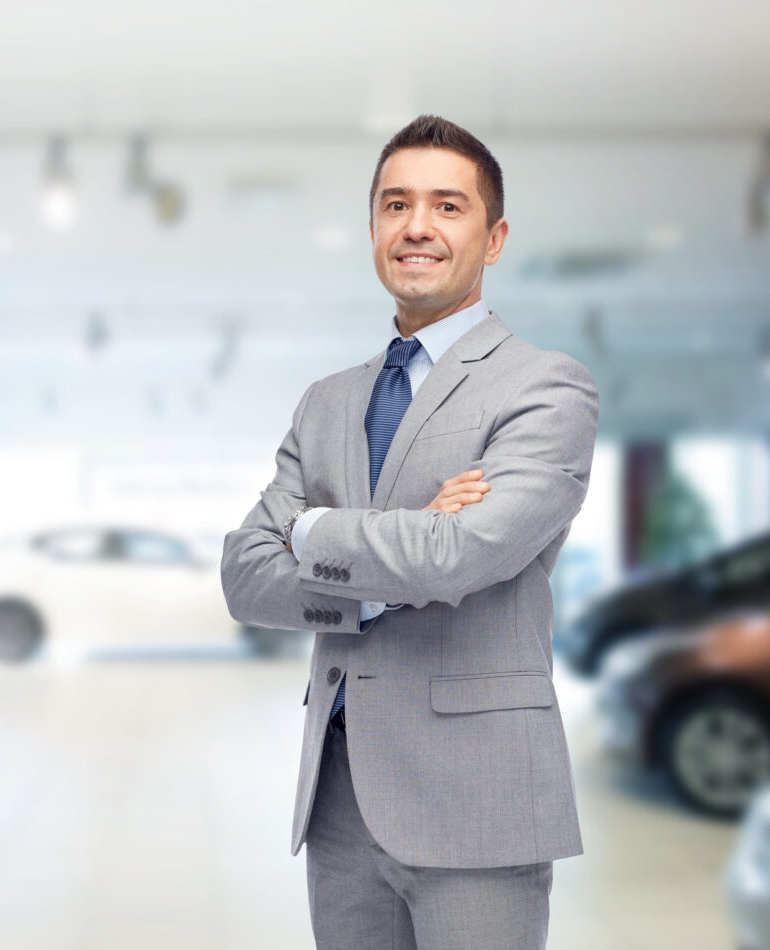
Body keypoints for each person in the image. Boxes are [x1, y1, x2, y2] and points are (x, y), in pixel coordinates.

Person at [220, 115, 598, 950]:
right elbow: (245, 577)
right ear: (374, 231)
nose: (417, 226)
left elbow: (463, 553)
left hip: (478, 799)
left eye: (448, 206)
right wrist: (391, 566)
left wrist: (314, 529)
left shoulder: (547, 389)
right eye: (396, 205)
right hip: (341, 801)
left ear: (493, 238)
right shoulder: (326, 402)